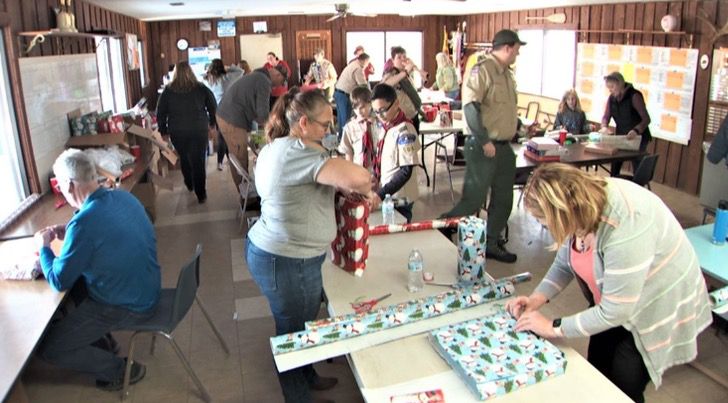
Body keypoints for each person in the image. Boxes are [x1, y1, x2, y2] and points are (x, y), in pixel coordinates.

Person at [506, 163, 712, 403]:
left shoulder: (625, 224)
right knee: (598, 373)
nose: (545, 227)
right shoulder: (578, 210)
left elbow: (616, 312)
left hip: (653, 305)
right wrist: (536, 299)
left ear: (562, 212)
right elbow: (565, 263)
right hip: (614, 300)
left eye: (544, 221)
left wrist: (551, 326)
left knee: (624, 385)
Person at [246, 88, 374, 403]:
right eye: (325, 125)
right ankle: (298, 397)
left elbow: (307, 187)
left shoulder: (280, 146)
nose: (330, 132)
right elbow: (361, 177)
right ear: (303, 123)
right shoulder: (300, 153)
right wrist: (350, 178)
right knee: (291, 335)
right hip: (287, 259)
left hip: (282, 254)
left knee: (300, 326)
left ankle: (307, 376)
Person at [35, 149, 161, 392]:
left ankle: (118, 369)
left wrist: (44, 249)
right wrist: (69, 231)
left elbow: (58, 280)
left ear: (70, 185)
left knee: (49, 348)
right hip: (147, 288)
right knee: (80, 284)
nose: (61, 191)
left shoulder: (84, 223)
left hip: (128, 304)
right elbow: (100, 230)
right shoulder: (123, 197)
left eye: (60, 186)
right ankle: (102, 340)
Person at [441, 29, 525, 263]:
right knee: (474, 199)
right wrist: (484, 139)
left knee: (504, 198)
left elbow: (502, 111)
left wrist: (518, 128)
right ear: (507, 48)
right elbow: (470, 107)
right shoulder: (483, 70)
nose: (518, 54)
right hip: (483, 145)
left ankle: (492, 241)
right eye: (517, 49)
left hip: (504, 147)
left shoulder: (507, 75)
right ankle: (443, 226)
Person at [157, 61, 217, 203]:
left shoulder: (168, 91)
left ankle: (189, 183)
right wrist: (212, 123)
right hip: (198, 129)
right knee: (199, 160)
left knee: (184, 157)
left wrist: (163, 130)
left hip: (177, 131)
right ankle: (201, 193)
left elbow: (161, 113)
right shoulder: (201, 88)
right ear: (191, 72)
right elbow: (213, 106)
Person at [216, 65, 287, 176]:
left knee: (248, 149)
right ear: (277, 75)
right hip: (232, 118)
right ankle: (244, 190)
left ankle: (245, 187)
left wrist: (260, 138)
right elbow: (262, 115)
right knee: (241, 156)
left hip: (227, 115)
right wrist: (273, 133)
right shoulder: (264, 81)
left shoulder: (257, 75)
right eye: (280, 82)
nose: (277, 86)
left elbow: (257, 116)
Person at [370, 84, 421, 222]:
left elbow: (406, 171)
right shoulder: (386, 127)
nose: (379, 116)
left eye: (383, 110)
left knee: (400, 236)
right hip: (387, 195)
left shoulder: (405, 130)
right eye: (375, 112)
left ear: (396, 103)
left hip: (400, 198)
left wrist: (380, 194)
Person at [600, 71, 652, 176]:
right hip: (622, 136)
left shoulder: (634, 96)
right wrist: (604, 126)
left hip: (638, 137)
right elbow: (606, 117)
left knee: (637, 167)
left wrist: (636, 130)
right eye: (608, 88)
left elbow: (646, 119)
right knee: (615, 164)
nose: (610, 90)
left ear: (620, 84)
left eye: (612, 87)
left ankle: (637, 188)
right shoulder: (612, 98)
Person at [203, 59, 244, 171]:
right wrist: (228, 67)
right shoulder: (227, 79)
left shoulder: (209, 80)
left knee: (222, 137)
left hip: (216, 111)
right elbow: (240, 71)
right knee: (228, 137)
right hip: (229, 111)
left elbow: (204, 75)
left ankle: (221, 162)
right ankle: (228, 161)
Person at [381, 46, 423, 133]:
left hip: (413, 115)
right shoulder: (391, 73)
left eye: (404, 56)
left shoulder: (409, 73)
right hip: (401, 119)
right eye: (399, 57)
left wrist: (414, 68)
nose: (402, 59)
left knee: (415, 144)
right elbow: (385, 85)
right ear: (393, 61)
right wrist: (405, 72)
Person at [338, 86, 381, 169]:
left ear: (371, 104)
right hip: (359, 168)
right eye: (355, 108)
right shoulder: (350, 127)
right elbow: (348, 152)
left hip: (378, 169)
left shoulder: (379, 123)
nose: (359, 111)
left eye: (362, 107)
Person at [334, 52, 370, 138]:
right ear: (365, 61)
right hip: (344, 95)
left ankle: (340, 140)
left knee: (340, 120)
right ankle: (344, 141)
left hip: (338, 92)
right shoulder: (358, 68)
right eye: (367, 63)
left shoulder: (353, 63)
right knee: (346, 120)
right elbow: (363, 85)